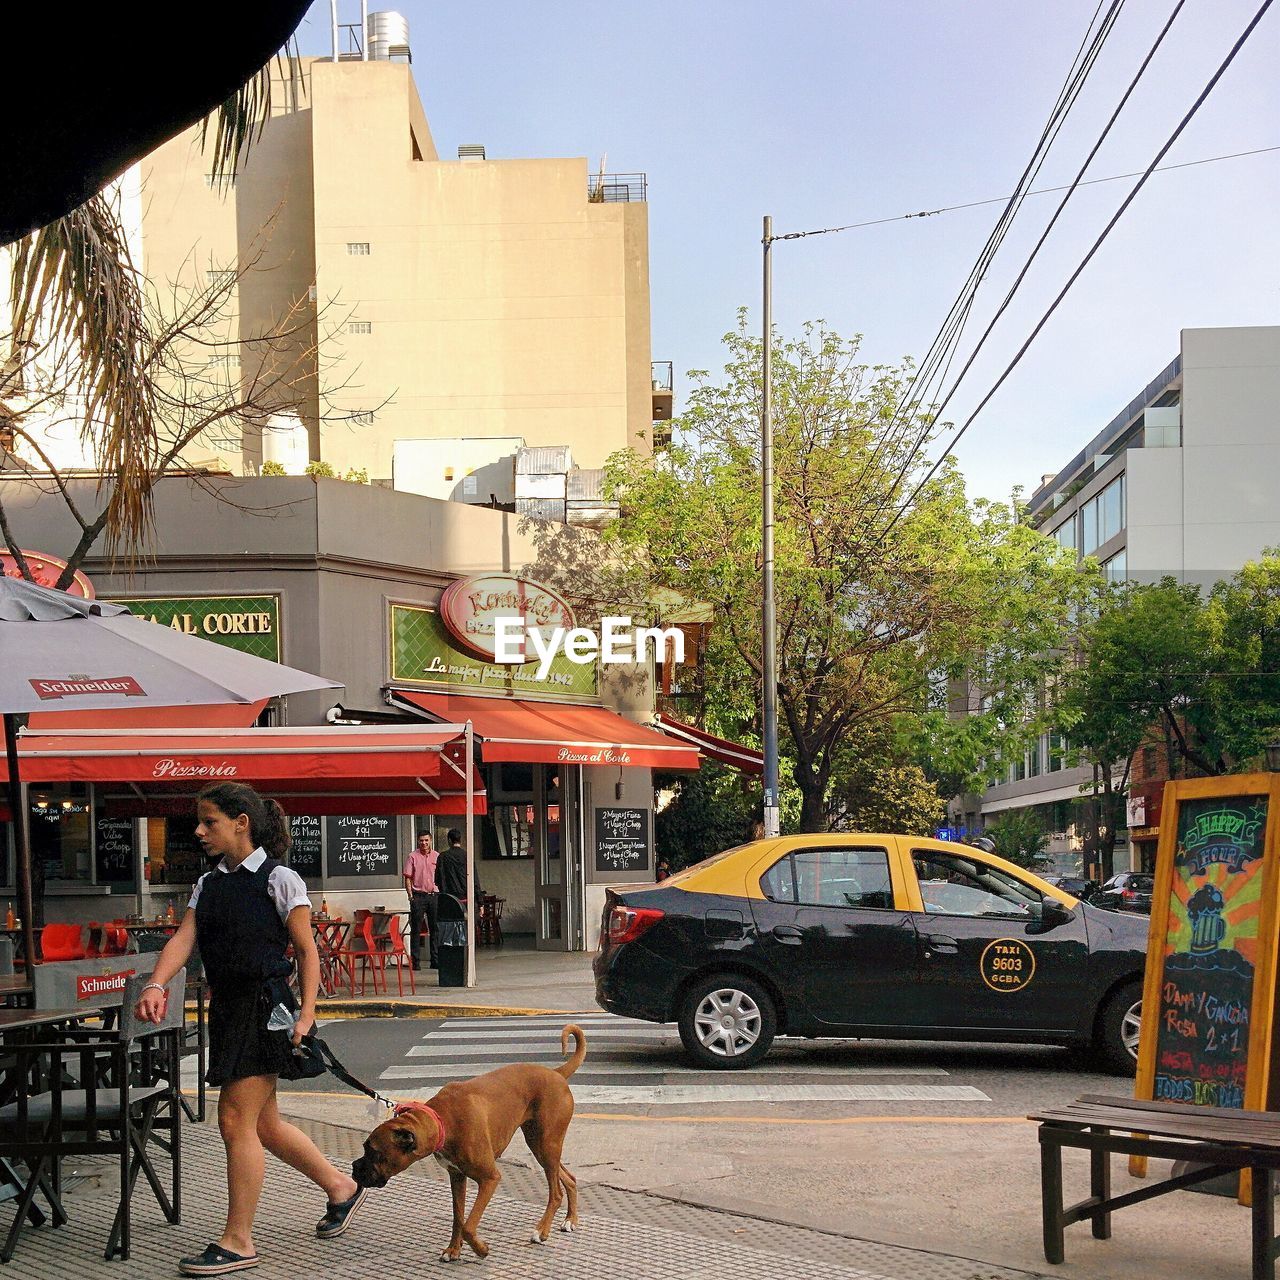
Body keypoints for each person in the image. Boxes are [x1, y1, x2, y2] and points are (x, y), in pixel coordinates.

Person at [136, 782, 367, 1277]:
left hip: (265, 1009)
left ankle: (239, 1240)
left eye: (209, 822)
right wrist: (156, 983)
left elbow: (307, 952)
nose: (199, 831)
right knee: (263, 1124)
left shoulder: (280, 879)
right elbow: (184, 939)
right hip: (229, 1009)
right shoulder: (208, 882)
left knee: (234, 1122)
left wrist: (306, 1014)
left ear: (241, 822)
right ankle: (340, 1188)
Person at [402, 831, 439, 970]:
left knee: (435, 929)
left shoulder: (437, 856)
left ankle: (435, 960)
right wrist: (410, 896)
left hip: (434, 895)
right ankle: (415, 962)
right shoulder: (412, 856)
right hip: (418, 896)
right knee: (416, 930)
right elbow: (407, 877)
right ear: (418, 842)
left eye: (426, 840)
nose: (423, 843)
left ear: (430, 840)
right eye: (421, 840)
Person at [436, 827, 481, 902]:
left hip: (449, 898)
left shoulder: (443, 856)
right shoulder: (467, 856)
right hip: (466, 898)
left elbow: (438, 878)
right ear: (460, 840)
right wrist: (480, 901)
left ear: (449, 840)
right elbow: (475, 879)